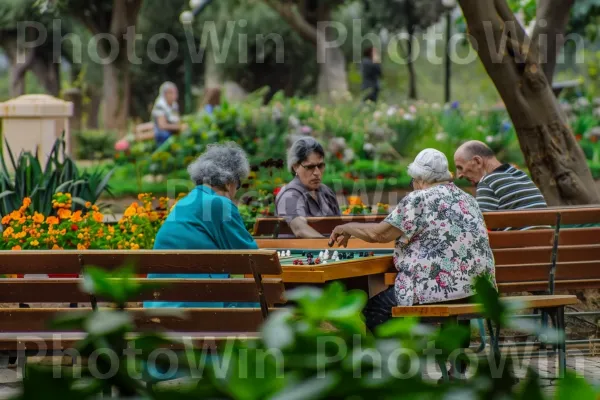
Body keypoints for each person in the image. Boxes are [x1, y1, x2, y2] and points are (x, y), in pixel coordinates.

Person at [329, 149, 496, 334]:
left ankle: (398, 359)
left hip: (438, 290)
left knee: (374, 310)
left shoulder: (419, 199)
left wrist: (348, 227)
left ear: (420, 179)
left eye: (413, 181)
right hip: (477, 291)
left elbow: (380, 235)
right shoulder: (468, 199)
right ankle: (454, 359)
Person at [144, 142, 258, 308]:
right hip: (196, 307)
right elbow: (251, 258)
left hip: (158, 305)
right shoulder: (219, 204)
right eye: (238, 184)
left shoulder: (185, 202)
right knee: (256, 299)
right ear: (229, 182)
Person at [454, 140, 547, 230]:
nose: (459, 175)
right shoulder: (521, 175)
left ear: (478, 161)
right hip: (547, 243)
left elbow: (479, 229)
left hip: (517, 244)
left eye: (460, 167)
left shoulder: (487, 182)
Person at [275, 137, 341, 238]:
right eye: (310, 167)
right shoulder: (290, 195)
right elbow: (300, 229)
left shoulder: (326, 192)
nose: (317, 173)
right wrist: (330, 247)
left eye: (320, 166)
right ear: (295, 167)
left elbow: (341, 227)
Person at [151, 81, 187, 146]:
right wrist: (178, 127)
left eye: (175, 92)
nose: (174, 95)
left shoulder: (174, 104)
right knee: (165, 135)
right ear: (164, 94)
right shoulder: (160, 105)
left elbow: (177, 119)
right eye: (171, 92)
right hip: (161, 133)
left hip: (171, 129)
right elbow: (162, 125)